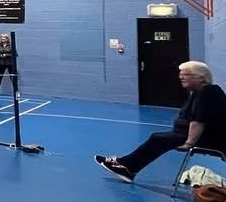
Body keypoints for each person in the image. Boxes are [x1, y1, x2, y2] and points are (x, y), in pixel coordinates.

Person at [96, 61, 226, 182]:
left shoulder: (207, 91)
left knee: (158, 138)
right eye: (180, 75)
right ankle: (125, 165)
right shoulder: (200, 92)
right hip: (191, 135)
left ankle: (126, 167)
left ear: (201, 77)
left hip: (207, 139)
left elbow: (198, 120)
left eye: (186, 74)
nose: (181, 77)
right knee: (160, 138)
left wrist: (189, 143)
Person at [0, 33, 19, 99]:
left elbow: (16, 54)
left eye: (3, 38)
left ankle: (16, 91)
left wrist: (6, 55)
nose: (2, 39)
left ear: (7, 39)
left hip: (10, 63)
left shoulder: (11, 45)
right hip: (1, 63)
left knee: (12, 77)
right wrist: (0, 55)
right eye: (1, 38)